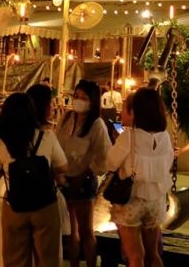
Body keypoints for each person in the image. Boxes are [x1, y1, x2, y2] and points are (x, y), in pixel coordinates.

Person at [0, 92, 67, 267]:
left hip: (15, 206)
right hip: (45, 205)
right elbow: (63, 167)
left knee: (15, 259)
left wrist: (5, 169)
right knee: (47, 258)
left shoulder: (0, 142)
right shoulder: (47, 136)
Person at [98, 87, 172, 267]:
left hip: (131, 200)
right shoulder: (165, 137)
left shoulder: (129, 136)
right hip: (156, 201)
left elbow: (110, 163)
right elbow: (168, 164)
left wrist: (117, 142)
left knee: (136, 256)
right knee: (153, 254)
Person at [57, 80, 111, 267]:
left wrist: (86, 173)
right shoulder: (66, 118)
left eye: (84, 98)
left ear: (92, 101)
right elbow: (58, 145)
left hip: (84, 181)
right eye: (76, 97)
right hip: (64, 179)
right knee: (71, 231)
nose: (78, 101)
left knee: (86, 231)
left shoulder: (97, 125)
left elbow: (104, 158)